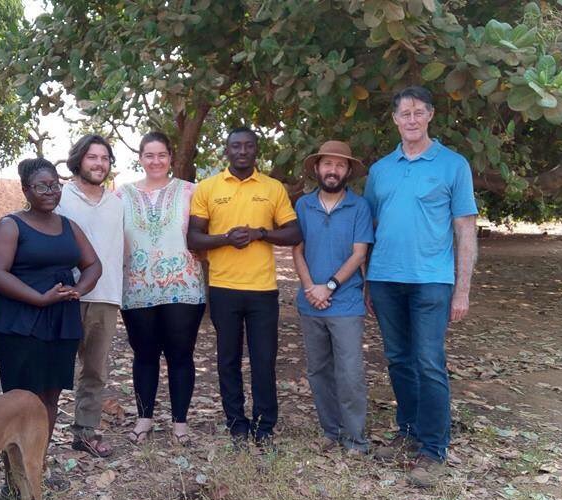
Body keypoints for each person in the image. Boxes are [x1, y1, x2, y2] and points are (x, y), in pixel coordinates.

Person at [364, 86, 478, 487]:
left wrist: (461, 289)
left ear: (430, 115)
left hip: (432, 281)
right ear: (394, 120)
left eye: (417, 112)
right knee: (398, 359)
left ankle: (434, 449)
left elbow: (465, 229)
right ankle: (408, 431)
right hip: (384, 279)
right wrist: (366, 281)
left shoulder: (453, 165)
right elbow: (370, 229)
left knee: (429, 362)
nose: (410, 120)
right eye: (403, 114)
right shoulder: (380, 170)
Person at [0, 158, 102, 486]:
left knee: (49, 397)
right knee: (22, 400)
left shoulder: (68, 226)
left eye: (55, 185)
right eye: (41, 186)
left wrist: (78, 290)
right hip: (21, 323)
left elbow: (93, 264)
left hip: (60, 321)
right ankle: (15, 478)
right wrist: (38, 299)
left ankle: (36, 466)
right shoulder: (11, 225)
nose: (50, 191)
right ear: (26, 190)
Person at [187, 127, 302, 448]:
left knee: (264, 359)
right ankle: (236, 423)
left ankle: (265, 425)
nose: (242, 151)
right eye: (235, 146)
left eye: (248, 146)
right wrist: (226, 238)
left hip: (263, 289)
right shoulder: (208, 188)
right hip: (223, 288)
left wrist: (260, 234)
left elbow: (293, 233)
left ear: (256, 151)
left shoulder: (272, 188)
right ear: (227, 151)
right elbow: (193, 237)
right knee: (228, 359)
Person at [117, 132, 206, 446]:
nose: (155, 161)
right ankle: (145, 419)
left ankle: (180, 422)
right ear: (140, 158)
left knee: (181, 355)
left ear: (171, 157)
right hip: (137, 287)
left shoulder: (191, 192)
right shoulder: (122, 194)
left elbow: (207, 231)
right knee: (144, 355)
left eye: (162, 155)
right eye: (149, 155)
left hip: (184, 286)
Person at [292, 140, 373, 455]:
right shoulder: (303, 205)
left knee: (350, 372)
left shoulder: (360, 207)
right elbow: (297, 250)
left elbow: (359, 254)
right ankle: (331, 430)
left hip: (346, 303)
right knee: (318, 371)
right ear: (317, 168)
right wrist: (311, 287)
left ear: (348, 170)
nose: (333, 170)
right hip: (310, 303)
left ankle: (355, 439)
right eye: (328, 164)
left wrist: (330, 286)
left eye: (340, 165)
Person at [56, 135, 123, 458]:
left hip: (106, 297)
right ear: (79, 160)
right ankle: (39, 434)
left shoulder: (116, 202)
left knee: (95, 370)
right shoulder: (59, 196)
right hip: (64, 297)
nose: (99, 164)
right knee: (54, 369)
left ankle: (85, 432)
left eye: (105, 158)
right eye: (92, 157)